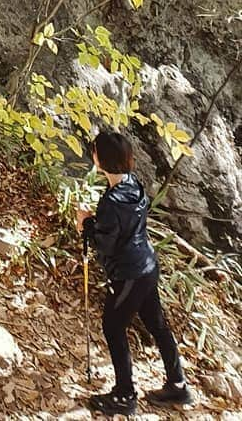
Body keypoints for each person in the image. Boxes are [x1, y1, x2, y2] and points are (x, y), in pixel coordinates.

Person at [76, 130, 193, 415]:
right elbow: (122, 228)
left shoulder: (111, 202)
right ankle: (178, 386)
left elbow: (105, 242)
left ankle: (124, 395)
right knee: (157, 325)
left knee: (113, 327)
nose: (93, 154)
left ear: (101, 160)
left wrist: (85, 224)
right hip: (148, 266)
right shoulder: (133, 184)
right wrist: (96, 222)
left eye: (95, 151)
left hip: (129, 274)